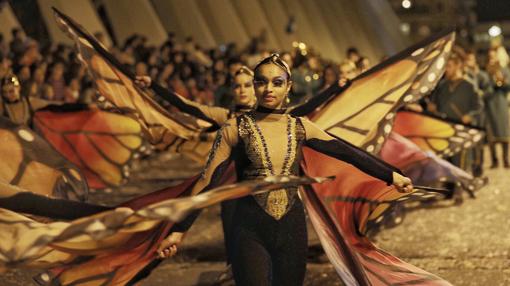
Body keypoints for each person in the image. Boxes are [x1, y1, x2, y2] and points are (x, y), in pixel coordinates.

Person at [156, 54, 412, 285]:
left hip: (291, 228)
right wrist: (179, 229)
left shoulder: (300, 126)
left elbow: (347, 152)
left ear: (288, 87)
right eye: (262, 82)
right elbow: (206, 182)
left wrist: (391, 175)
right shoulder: (234, 128)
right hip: (248, 229)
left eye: (277, 82)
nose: (268, 88)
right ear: (256, 85)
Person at [485, 48, 510, 168]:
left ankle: (505, 159)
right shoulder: (486, 72)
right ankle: (494, 160)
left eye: (494, 57)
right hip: (490, 105)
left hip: (501, 104)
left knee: (504, 132)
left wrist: (502, 81)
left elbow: (508, 86)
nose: (492, 59)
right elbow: (485, 87)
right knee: (492, 133)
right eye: (490, 57)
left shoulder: (504, 70)